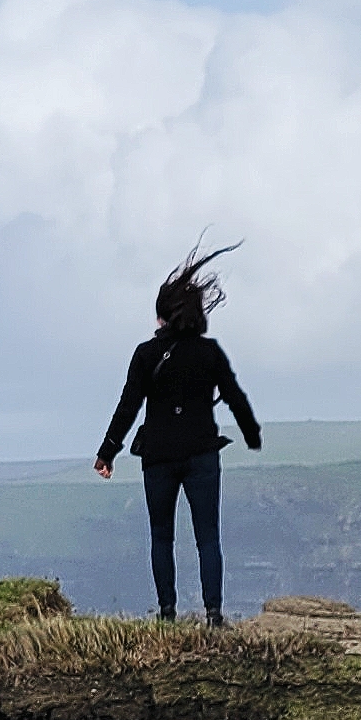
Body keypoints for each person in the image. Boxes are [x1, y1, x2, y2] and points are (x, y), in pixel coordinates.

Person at [93, 243, 262, 626]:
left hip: (159, 456)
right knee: (208, 537)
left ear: (162, 316)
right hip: (202, 452)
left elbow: (128, 406)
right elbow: (234, 395)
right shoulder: (210, 352)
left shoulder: (145, 354)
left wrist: (108, 452)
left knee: (161, 536)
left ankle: (167, 615)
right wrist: (251, 434)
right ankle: (214, 616)